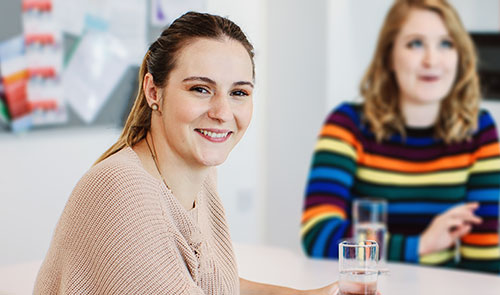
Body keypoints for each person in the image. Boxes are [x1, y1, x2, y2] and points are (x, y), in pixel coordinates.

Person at [34, 11, 339, 295]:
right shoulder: (121, 190)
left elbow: (218, 286)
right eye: (200, 89)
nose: (222, 112)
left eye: (238, 93)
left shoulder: (200, 176)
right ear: (154, 91)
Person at [301, 0, 500, 274]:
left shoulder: (478, 128)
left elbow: (485, 254)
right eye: (415, 43)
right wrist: (419, 245)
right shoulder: (348, 124)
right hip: (366, 286)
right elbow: (318, 233)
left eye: (446, 43)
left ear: (460, 55)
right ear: (389, 56)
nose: (432, 59)